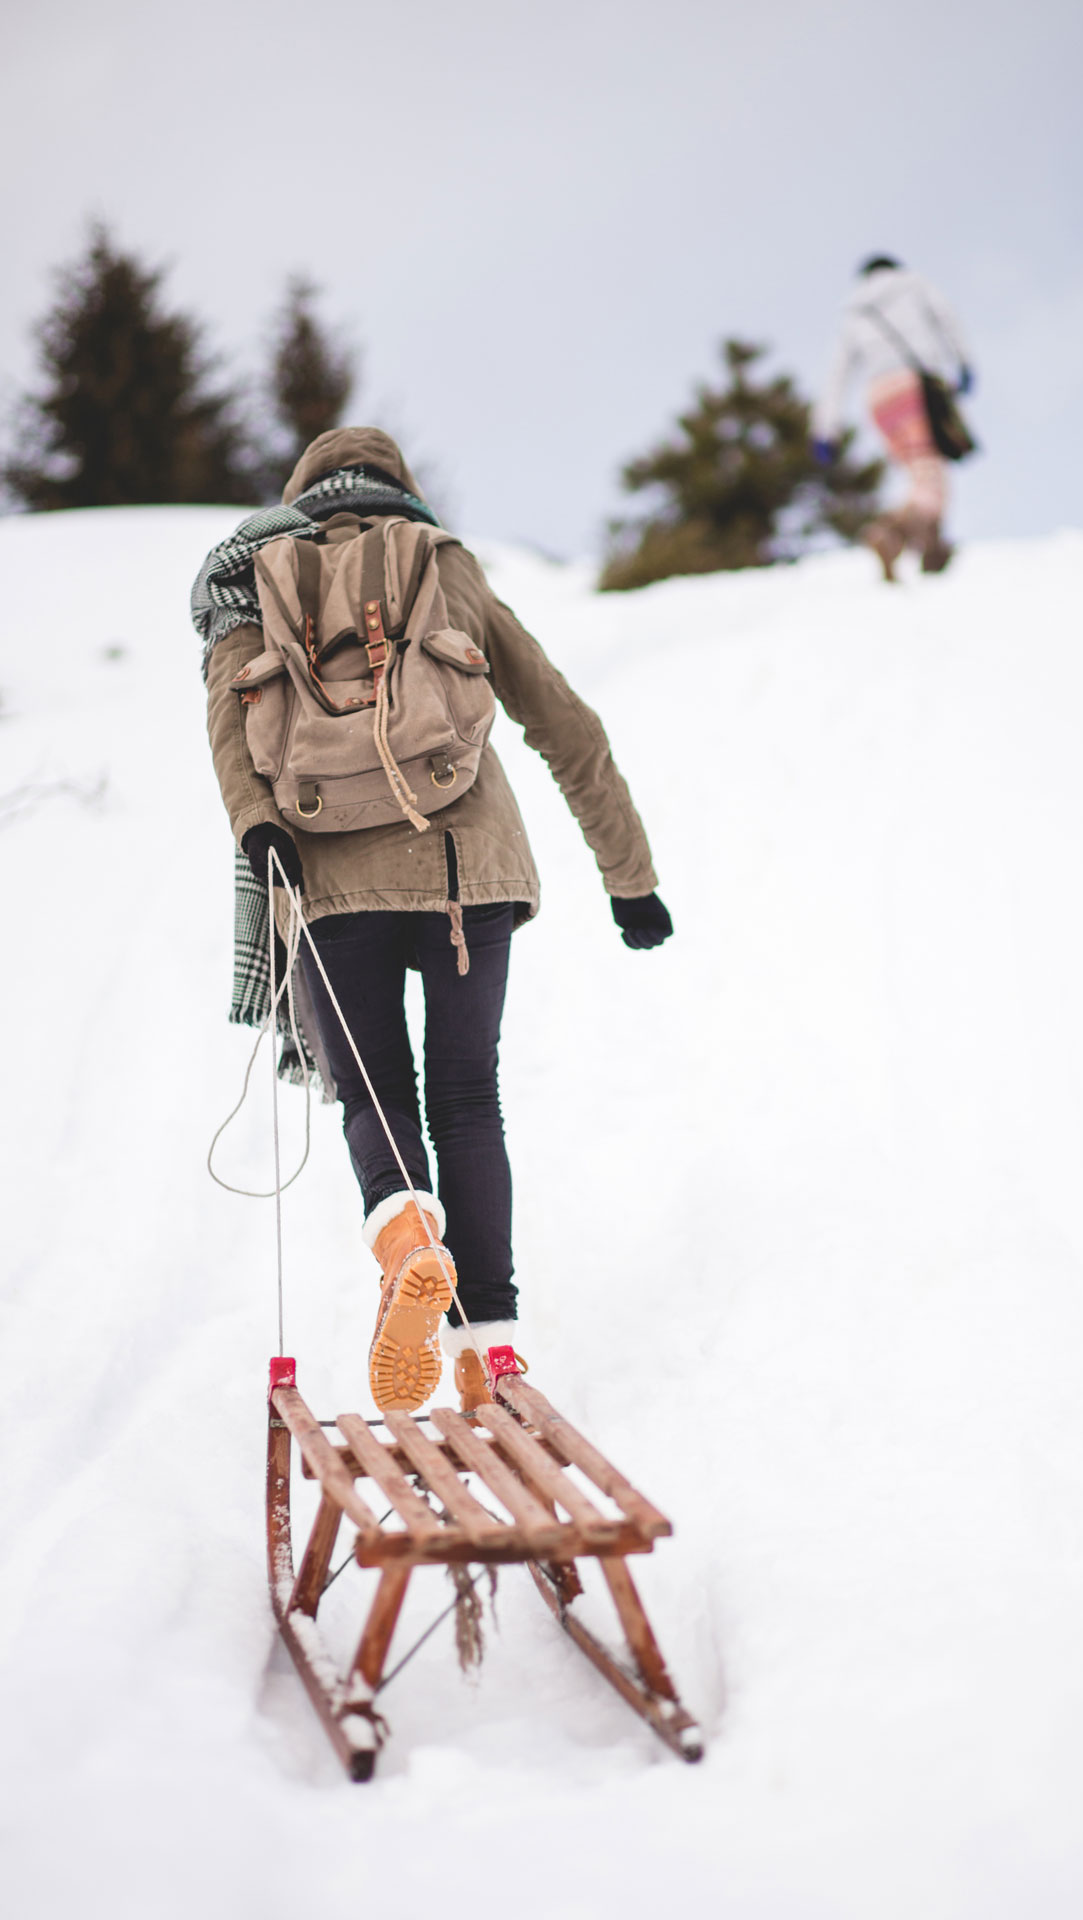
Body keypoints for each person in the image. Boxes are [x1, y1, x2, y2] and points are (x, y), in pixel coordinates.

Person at [195, 427, 671, 1415]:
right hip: (468, 872)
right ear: (398, 489)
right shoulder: (440, 563)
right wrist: (629, 880)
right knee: (466, 1096)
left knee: (375, 1093)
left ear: (303, 493)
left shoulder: (256, 573)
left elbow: (230, 723)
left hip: (327, 877)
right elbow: (565, 727)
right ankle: (486, 1352)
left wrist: (258, 830)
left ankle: (408, 1239)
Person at [813, 255, 974, 581]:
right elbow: (948, 320)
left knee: (918, 473)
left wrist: (825, 429)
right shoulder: (914, 286)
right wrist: (964, 362)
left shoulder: (854, 315)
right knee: (930, 471)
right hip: (914, 387)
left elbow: (837, 375)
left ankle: (927, 543)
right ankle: (897, 534)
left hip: (879, 398)